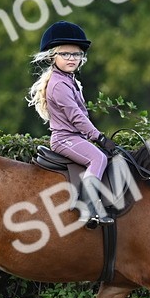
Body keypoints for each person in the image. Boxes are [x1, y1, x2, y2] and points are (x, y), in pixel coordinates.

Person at [27, 21, 116, 227]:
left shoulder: (70, 80)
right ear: (53, 56)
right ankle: (87, 208)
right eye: (65, 54)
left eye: (76, 54)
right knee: (98, 158)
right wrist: (99, 137)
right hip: (65, 139)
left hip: (75, 138)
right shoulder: (59, 84)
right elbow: (77, 117)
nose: (72, 58)